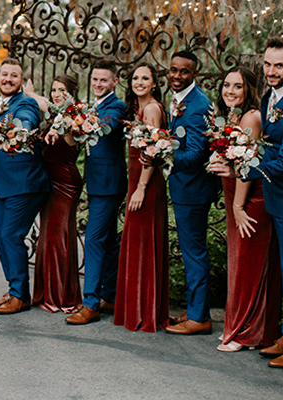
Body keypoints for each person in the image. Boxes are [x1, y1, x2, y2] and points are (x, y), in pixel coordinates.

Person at [209, 37, 283, 365]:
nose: (271, 71)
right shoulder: (270, 97)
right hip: (271, 197)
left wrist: (243, 168)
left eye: (279, 65)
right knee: (280, 268)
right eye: (267, 64)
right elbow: (264, 145)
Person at [213, 66, 281, 351]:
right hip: (236, 193)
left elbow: (247, 165)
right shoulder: (232, 116)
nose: (229, 91)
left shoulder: (252, 117)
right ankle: (241, 325)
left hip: (251, 197)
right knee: (239, 261)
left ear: (248, 89)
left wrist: (239, 206)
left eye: (237, 86)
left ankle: (246, 333)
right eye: (226, 85)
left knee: (248, 263)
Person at [64, 59, 127, 324]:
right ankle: (109, 295)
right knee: (109, 242)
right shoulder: (94, 106)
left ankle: (90, 302)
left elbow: (105, 127)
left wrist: (75, 118)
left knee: (93, 239)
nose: (98, 84)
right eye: (95, 79)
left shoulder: (116, 106)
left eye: (104, 80)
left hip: (109, 184)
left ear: (114, 81)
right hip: (98, 181)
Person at [0, 58, 48, 315]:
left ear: (21, 81)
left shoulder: (25, 103)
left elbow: (27, 119)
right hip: (3, 185)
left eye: (14, 76)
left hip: (24, 183)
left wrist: (21, 128)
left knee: (11, 235)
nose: (8, 79)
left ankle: (21, 296)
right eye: (4, 74)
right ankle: (14, 289)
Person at [111, 62, 170, 332]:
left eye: (145, 78)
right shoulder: (137, 109)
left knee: (144, 242)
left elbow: (153, 150)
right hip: (136, 180)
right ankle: (137, 307)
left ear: (154, 83)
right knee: (136, 241)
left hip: (146, 182)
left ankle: (143, 310)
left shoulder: (151, 109)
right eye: (135, 78)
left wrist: (142, 187)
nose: (139, 82)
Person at [163, 51, 218, 336]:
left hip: (194, 189)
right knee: (190, 252)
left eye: (184, 72)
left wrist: (164, 156)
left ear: (194, 73)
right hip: (184, 187)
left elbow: (197, 153)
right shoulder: (178, 100)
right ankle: (194, 308)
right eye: (173, 70)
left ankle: (199, 317)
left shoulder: (198, 105)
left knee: (194, 253)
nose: (176, 75)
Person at [24, 75, 82, 313]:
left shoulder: (73, 117)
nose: (56, 93)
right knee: (48, 235)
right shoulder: (53, 117)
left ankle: (62, 295)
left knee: (58, 236)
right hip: (49, 182)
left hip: (66, 183)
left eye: (62, 90)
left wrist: (30, 93)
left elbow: (51, 109)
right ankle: (47, 292)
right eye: (54, 90)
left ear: (71, 94)